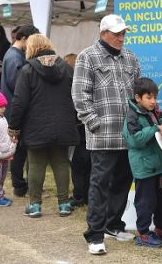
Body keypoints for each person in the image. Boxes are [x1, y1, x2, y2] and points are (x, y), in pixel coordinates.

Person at [72, 14, 140, 255]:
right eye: (117, 33)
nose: (121, 37)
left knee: (123, 181)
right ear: (103, 34)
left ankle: (113, 224)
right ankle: (95, 234)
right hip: (102, 134)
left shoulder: (131, 58)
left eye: (123, 33)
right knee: (100, 184)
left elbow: (139, 93)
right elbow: (80, 94)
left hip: (128, 135)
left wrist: (139, 123)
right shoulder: (87, 57)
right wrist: (93, 123)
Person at [9, 34, 79, 218]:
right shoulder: (66, 68)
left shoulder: (27, 71)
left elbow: (19, 102)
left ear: (31, 48)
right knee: (62, 163)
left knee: (35, 164)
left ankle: (35, 205)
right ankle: (64, 204)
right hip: (63, 124)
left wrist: (14, 128)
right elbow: (75, 96)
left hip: (35, 126)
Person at [123, 77, 162, 248]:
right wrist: (155, 129)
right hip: (144, 168)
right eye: (149, 98)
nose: (153, 101)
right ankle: (142, 233)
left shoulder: (153, 110)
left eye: (155, 97)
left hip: (157, 167)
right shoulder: (132, 115)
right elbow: (135, 140)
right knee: (146, 203)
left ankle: (159, 228)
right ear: (138, 98)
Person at [1, 24, 39, 198]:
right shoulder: (15, 58)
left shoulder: (13, 55)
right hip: (16, 108)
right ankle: (19, 185)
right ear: (23, 39)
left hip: (14, 107)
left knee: (20, 149)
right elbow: (19, 86)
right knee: (19, 149)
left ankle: (21, 184)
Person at [64, 53, 91, 208]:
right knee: (89, 165)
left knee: (78, 165)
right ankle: (86, 195)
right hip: (90, 131)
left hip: (78, 132)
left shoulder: (71, 85)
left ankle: (79, 196)